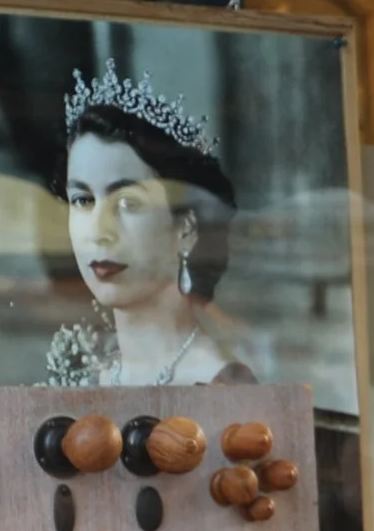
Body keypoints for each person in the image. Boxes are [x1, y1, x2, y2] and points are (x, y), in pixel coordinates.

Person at [46, 61, 251, 386]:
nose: (99, 231)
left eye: (128, 203)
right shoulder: (89, 375)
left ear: (186, 229)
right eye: (83, 201)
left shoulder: (221, 383)